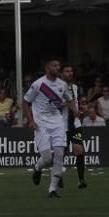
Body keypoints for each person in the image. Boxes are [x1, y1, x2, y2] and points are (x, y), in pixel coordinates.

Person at [22, 58, 77, 198]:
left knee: (59, 154)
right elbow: (25, 103)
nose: (57, 67)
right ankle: (37, 168)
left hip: (58, 122)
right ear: (47, 68)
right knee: (47, 158)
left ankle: (52, 189)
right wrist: (31, 121)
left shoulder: (62, 85)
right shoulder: (38, 84)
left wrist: (75, 109)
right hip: (41, 123)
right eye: (54, 65)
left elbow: (69, 99)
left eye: (59, 65)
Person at [60, 64, 88, 189]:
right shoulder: (57, 87)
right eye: (67, 71)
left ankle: (81, 180)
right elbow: (53, 104)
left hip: (75, 124)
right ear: (62, 73)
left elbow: (76, 103)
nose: (70, 73)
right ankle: (58, 176)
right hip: (62, 125)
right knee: (60, 153)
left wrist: (80, 109)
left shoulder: (75, 87)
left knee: (79, 150)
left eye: (71, 71)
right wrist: (68, 104)